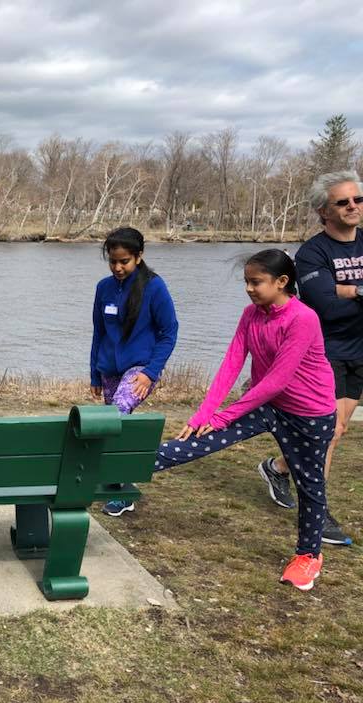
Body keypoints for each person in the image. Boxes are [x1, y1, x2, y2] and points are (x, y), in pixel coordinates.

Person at [155, 249, 336, 591]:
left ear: (282, 282)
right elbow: (231, 364)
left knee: (310, 485)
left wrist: (225, 415)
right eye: (247, 282)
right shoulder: (251, 315)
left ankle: (308, 556)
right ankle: (127, 468)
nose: (250, 289)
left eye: (256, 282)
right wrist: (203, 414)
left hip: (309, 413)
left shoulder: (302, 318)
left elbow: (278, 379)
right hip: (266, 404)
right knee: (198, 440)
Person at [258, 170, 363, 546]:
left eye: (358, 200)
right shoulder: (313, 252)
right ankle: (319, 514)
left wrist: (348, 289)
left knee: (338, 429)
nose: (353, 207)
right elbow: (322, 302)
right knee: (330, 433)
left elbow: (338, 294)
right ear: (324, 210)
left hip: (358, 350)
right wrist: (349, 291)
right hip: (326, 351)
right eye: (343, 202)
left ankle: (277, 467)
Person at [89, 227, 178, 516]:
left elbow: (169, 331)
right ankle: (117, 484)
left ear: (139, 257)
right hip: (108, 370)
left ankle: (124, 492)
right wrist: (94, 373)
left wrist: (151, 372)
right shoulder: (103, 288)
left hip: (139, 369)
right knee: (116, 427)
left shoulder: (154, 287)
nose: (118, 267)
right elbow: (98, 333)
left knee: (117, 415)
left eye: (124, 261)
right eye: (113, 261)